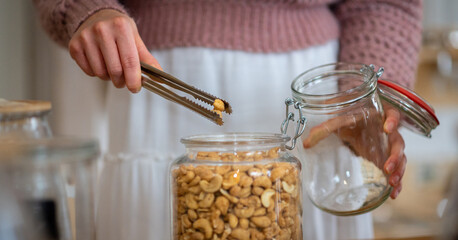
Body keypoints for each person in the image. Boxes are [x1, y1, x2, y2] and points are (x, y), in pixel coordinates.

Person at [33, 0, 423, 239]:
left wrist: (363, 98)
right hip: (153, 82)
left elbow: (385, 3)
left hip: (320, 100)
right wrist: (84, 7)